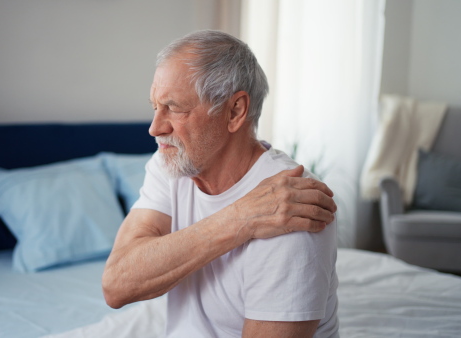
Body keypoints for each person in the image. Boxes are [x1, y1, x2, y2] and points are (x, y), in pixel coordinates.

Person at [102, 30, 339, 338]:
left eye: (174, 107)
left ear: (234, 111)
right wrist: (241, 218)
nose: (154, 128)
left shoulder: (290, 204)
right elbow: (116, 285)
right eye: (154, 107)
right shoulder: (171, 163)